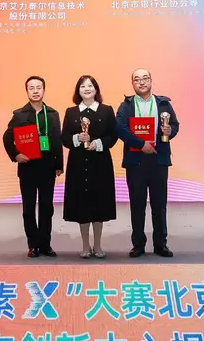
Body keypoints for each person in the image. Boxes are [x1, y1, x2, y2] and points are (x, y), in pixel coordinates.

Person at [116, 69, 179, 258]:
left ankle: (161, 244)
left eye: (145, 78)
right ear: (132, 84)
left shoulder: (163, 103)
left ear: (151, 81)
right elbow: (120, 129)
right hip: (136, 161)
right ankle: (138, 245)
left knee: (159, 204)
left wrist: (169, 131)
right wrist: (140, 144)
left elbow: (174, 125)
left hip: (158, 159)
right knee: (137, 204)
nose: (141, 82)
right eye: (137, 79)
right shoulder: (126, 105)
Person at [3, 76, 63, 258]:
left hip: (48, 168)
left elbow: (57, 140)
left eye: (38, 87)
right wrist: (16, 155)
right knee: (28, 209)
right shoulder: (19, 115)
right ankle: (33, 245)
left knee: (47, 208)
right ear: (27, 91)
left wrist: (59, 164)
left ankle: (45, 244)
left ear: (44, 90)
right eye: (32, 88)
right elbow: (7, 137)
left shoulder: (52, 114)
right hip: (28, 167)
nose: (35, 91)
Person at [61, 75, 118, 258]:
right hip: (78, 164)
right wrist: (77, 138)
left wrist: (98, 143)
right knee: (82, 205)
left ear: (96, 89)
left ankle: (98, 245)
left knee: (99, 203)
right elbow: (64, 138)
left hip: (100, 163)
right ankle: (85, 245)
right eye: (83, 86)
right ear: (78, 91)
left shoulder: (106, 110)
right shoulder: (71, 112)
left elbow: (113, 136)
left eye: (90, 86)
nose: (86, 89)